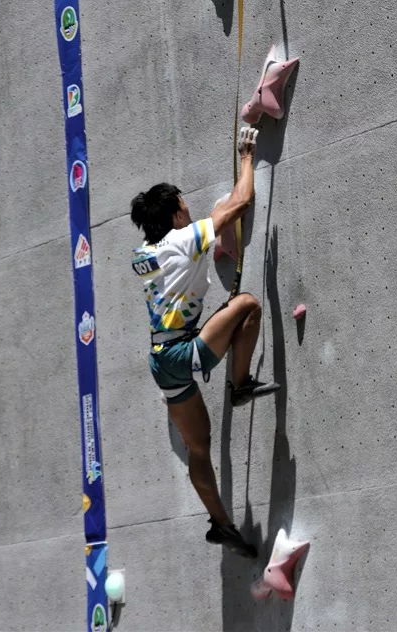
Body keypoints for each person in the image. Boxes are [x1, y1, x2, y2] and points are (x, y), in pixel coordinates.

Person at [130, 126, 280, 558]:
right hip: (181, 348)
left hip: (162, 359)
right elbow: (239, 203)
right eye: (184, 205)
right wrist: (247, 155)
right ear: (176, 215)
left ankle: (220, 522)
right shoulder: (180, 240)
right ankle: (240, 385)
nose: (189, 208)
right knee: (248, 305)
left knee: (200, 444)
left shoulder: (145, 254)